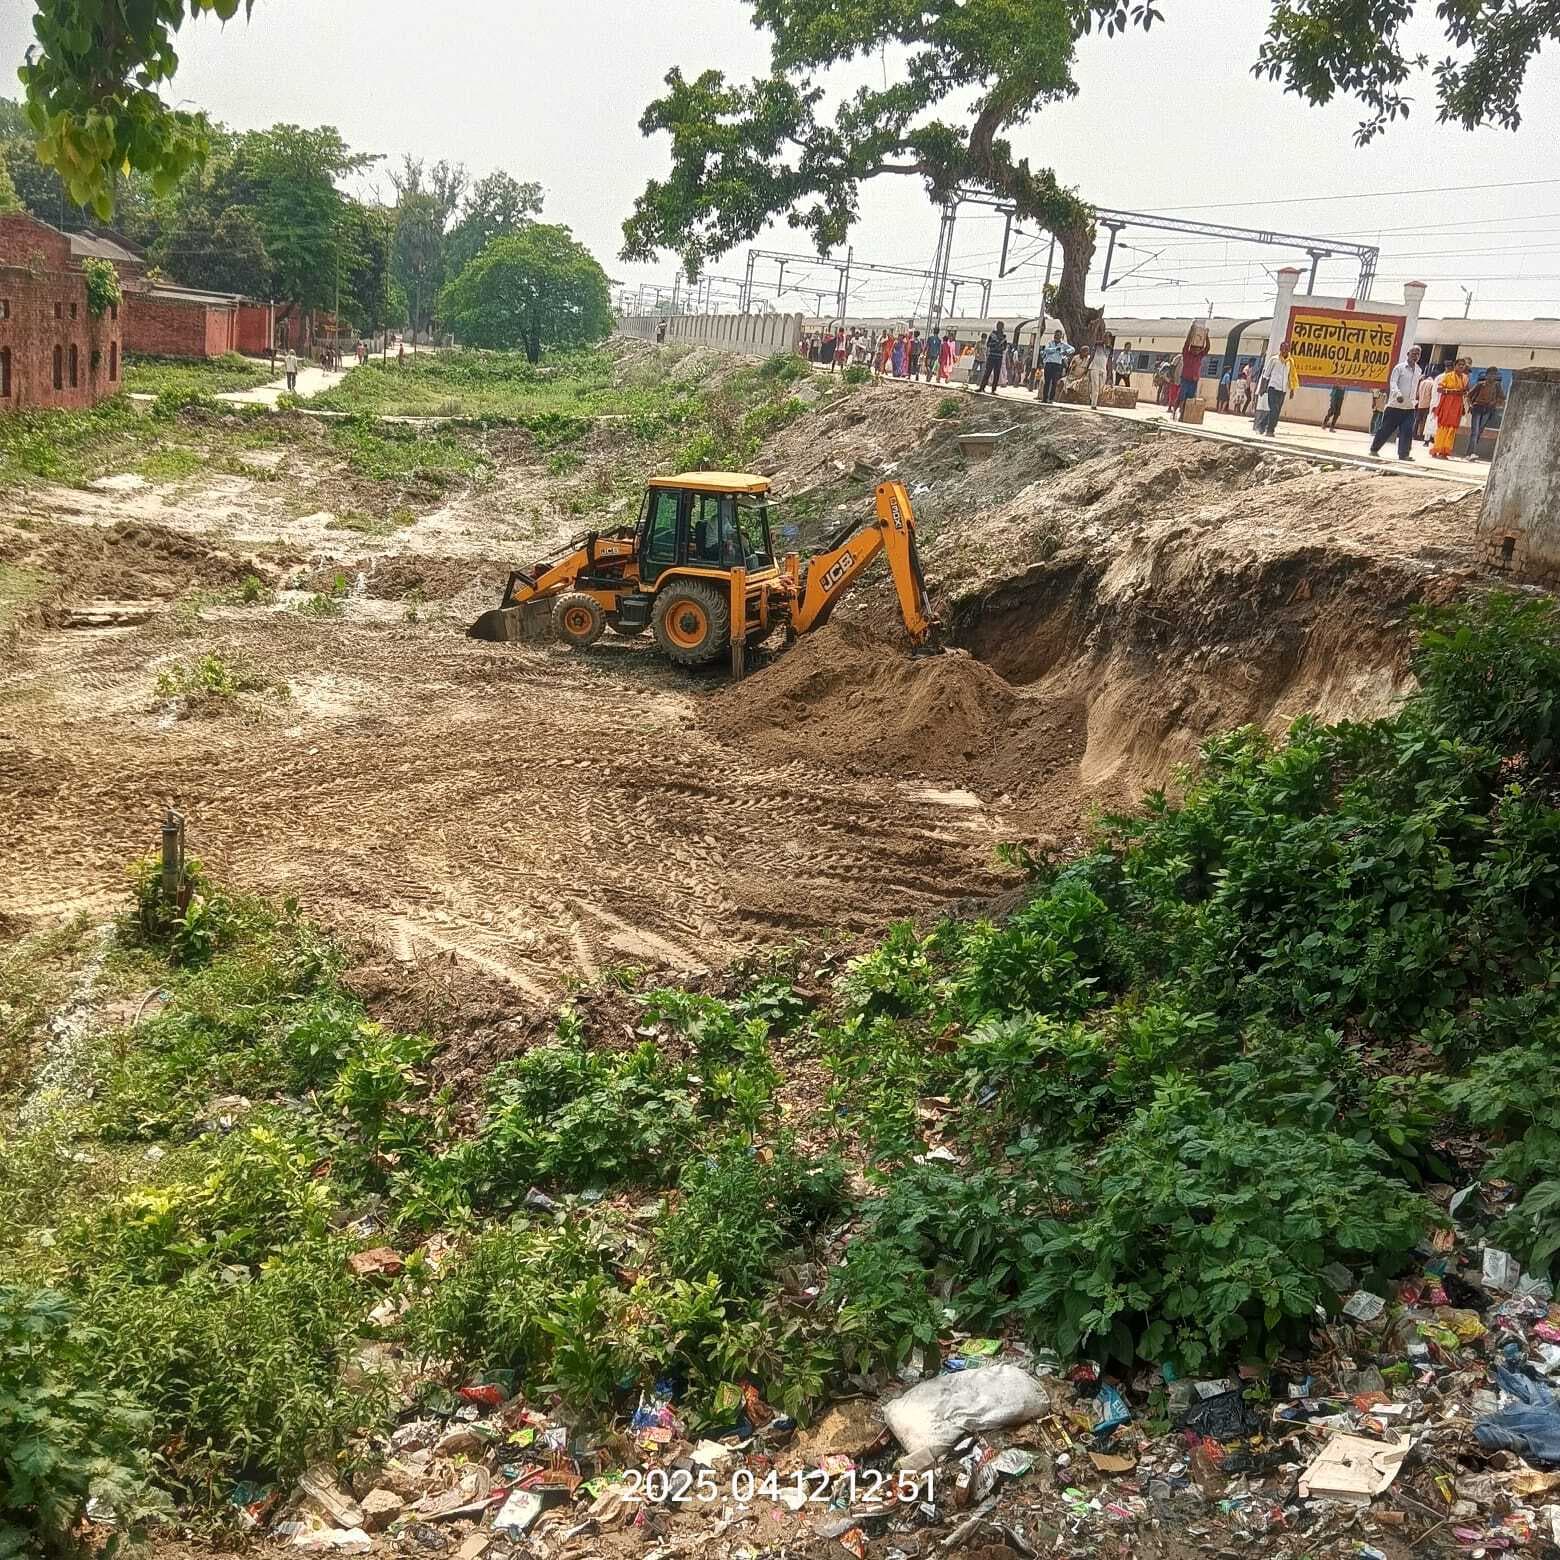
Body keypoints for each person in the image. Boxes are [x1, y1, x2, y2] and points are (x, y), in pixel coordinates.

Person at [1369, 346, 1423, 461]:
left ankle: (1404, 454)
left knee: (1407, 430)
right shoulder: (1399, 368)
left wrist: (1416, 399)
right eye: (1413, 353)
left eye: (1418, 354)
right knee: (1386, 429)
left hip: (1409, 407)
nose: (1415, 356)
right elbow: (1393, 382)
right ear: (1408, 354)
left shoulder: (1418, 370)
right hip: (1395, 406)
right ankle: (1374, 449)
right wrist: (1398, 394)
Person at [1429, 357, 1471, 459]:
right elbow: (1439, 389)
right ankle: (1437, 449)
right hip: (1447, 404)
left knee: (1452, 429)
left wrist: (1464, 394)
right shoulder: (1447, 376)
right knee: (1443, 427)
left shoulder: (1465, 378)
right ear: (1455, 366)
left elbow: (1466, 390)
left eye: (1463, 365)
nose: (1461, 366)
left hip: (1457, 405)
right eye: (1459, 365)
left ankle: (1445, 452)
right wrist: (1452, 391)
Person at [1255, 340, 1297, 436]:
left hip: (1282, 390)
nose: (1284, 351)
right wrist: (1262, 388)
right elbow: (1266, 375)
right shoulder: (1274, 359)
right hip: (1273, 388)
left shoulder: (1290, 362)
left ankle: (1261, 425)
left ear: (1289, 350)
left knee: (1276, 411)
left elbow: (1291, 376)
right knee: (1274, 409)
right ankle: (1270, 430)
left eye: (1286, 349)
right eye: (1283, 349)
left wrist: (1292, 390)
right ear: (1280, 349)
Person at [1467, 368, 1505, 458]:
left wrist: (1495, 403)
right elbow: (1469, 396)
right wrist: (1470, 406)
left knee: (1479, 431)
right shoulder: (1480, 385)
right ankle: (1471, 453)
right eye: (1491, 374)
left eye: (1494, 375)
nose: (1492, 377)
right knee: (1475, 431)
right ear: (1486, 375)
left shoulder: (1497, 386)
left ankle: (1471, 452)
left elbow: (1502, 398)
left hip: (1488, 410)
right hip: (1477, 408)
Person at [1175, 324, 1209, 421]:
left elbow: (1207, 348)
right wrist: (1191, 332)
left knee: (1189, 399)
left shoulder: (1200, 356)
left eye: (1199, 349)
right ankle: (1177, 412)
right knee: (1182, 397)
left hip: (1194, 381)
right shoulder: (1186, 354)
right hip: (1185, 379)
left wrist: (1206, 336)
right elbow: (1186, 343)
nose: (1197, 351)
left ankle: (1183, 415)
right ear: (1191, 348)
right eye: (1195, 349)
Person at [1039, 329, 1072, 403]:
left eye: (1058, 335)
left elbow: (1072, 349)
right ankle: (1044, 398)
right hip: (1049, 363)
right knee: (1047, 381)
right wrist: (1055, 349)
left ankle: (1051, 399)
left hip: (1057, 365)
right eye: (1056, 335)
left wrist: (1066, 352)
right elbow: (1046, 350)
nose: (1056, 336)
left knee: (1054, 382)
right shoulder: (1050, 343)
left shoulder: (1063, 344)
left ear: (1061, 336)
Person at [976, 321, 1007, 393]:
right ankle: (982, 387)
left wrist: (1000, 347)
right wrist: (995, 345)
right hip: (992, 356)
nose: (999, 327)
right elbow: (988, 344)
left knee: (996, 374)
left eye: (1000, 326)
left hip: (999, 357)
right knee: (987, 372)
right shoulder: (992, 335)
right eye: (998, 326)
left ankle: (993, 390)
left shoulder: (1004, 337)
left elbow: (1005, 347)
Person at [1088, 336, 1111, 408]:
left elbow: (1109, 360)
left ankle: (1092, 396)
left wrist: (1109, 372)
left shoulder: (1110, 348)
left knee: (1101, 388)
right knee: (1095, 386)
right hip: (1094, 368)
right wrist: (1088, 366)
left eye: (1108, 338)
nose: (1106, 339)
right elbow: (1092, 355)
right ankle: (1093, 405)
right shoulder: (1097, 344)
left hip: (1103, 369)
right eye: (1105, 337)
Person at [1413, 367, 1435, 439]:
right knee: (1424, 421)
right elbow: (1432, 395)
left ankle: (1414, 434)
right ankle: (1421, 435)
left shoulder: (1422, 382)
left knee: (1417, 419)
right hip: (1427, 404)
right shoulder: (1432, 383)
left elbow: (1417, 394)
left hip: (1420, 403)